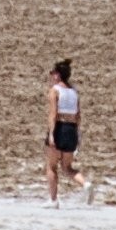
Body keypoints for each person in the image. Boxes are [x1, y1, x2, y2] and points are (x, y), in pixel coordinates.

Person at [45, 58, 83, 201]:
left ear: (58, 74)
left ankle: (53, 200)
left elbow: (53, 114)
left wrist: (51, 135)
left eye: (53, 73)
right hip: (72, 129)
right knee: (67, 167)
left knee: (51, 166)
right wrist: (78, 134)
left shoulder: (55, 91)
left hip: (59, 128)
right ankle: (86, 184)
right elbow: (78, 115)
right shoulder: (74, 92)